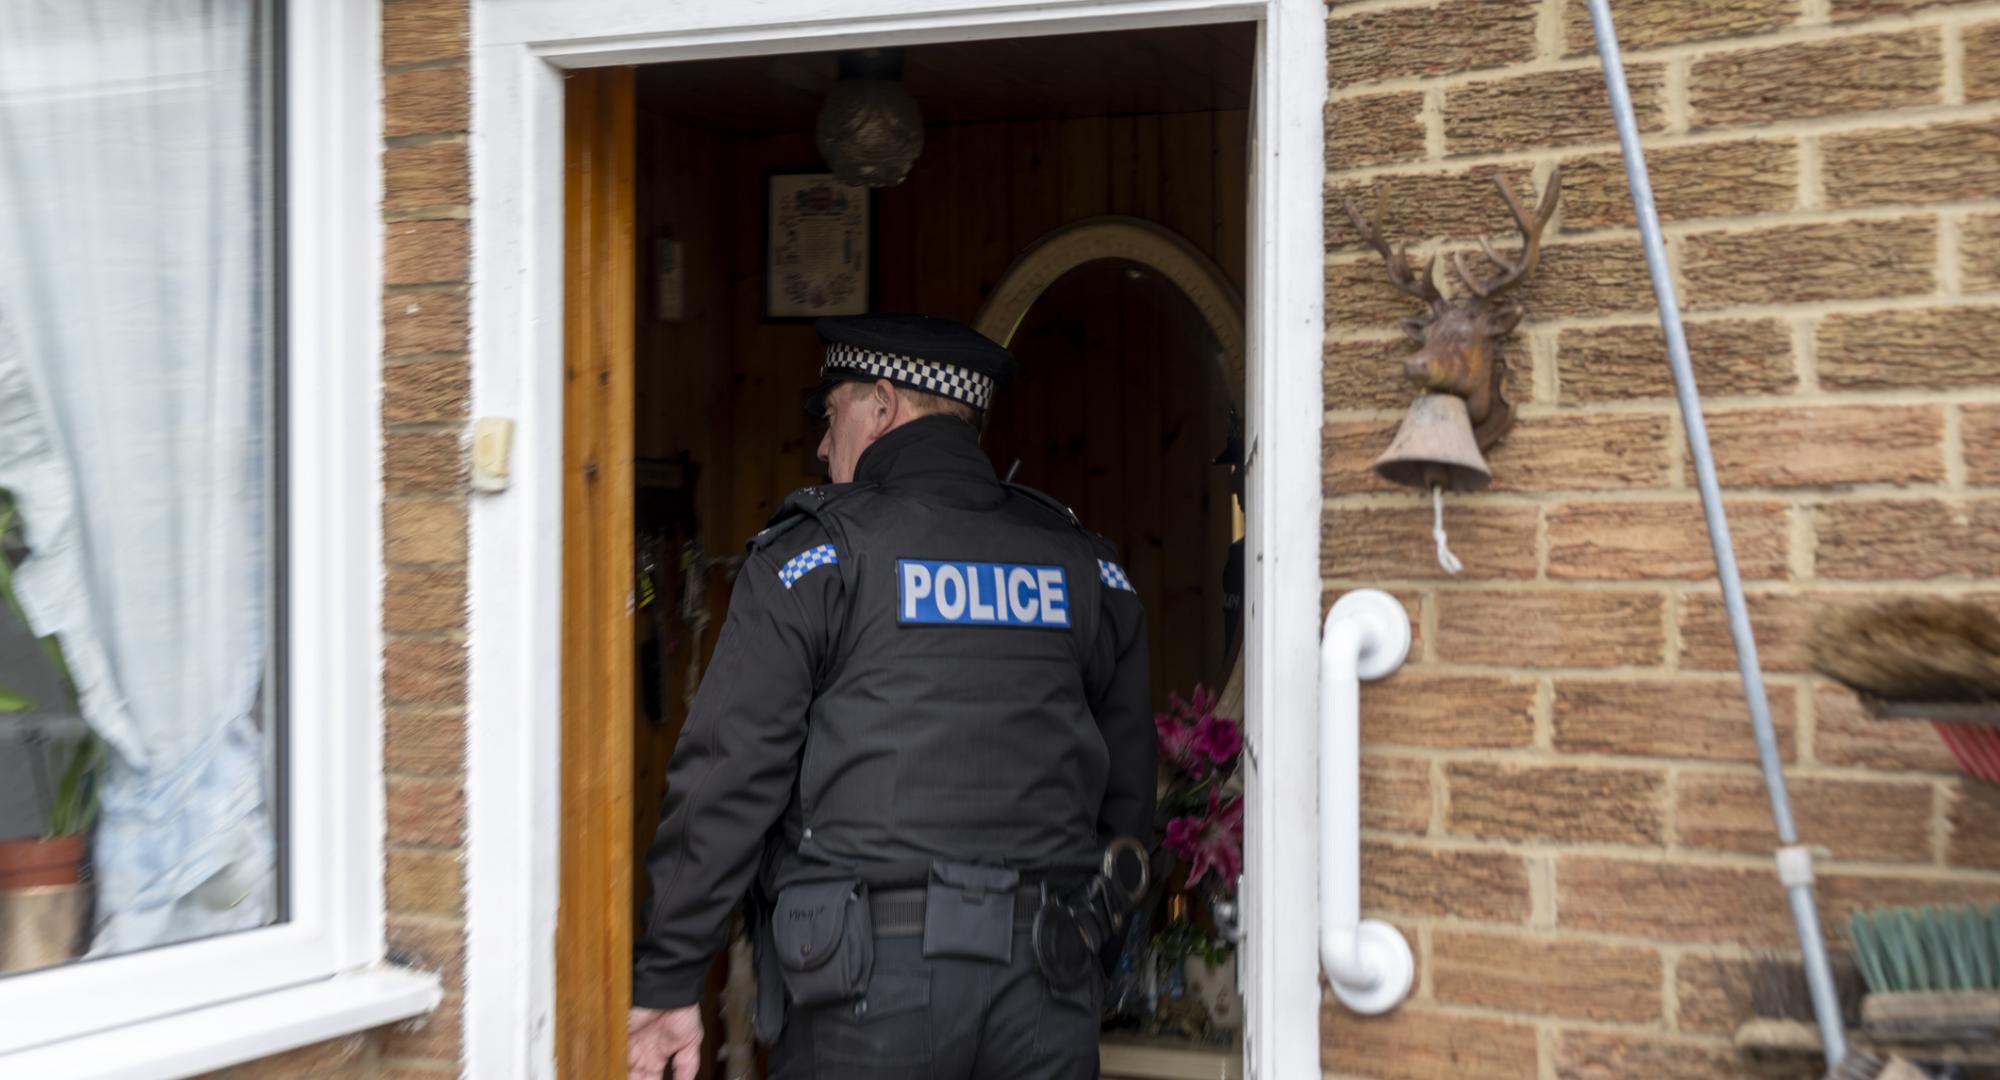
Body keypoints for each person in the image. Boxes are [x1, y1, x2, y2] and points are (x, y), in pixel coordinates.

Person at [628, 314, 1155, 1080]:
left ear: (880, 406)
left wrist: (670, 976)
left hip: (863, 993)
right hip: (1046, 983)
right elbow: (1128, 800)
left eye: (829, 412)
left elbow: (728, 777)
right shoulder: (1086, 566)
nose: (820, 442)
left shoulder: (816, 558)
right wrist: (1078, 945)